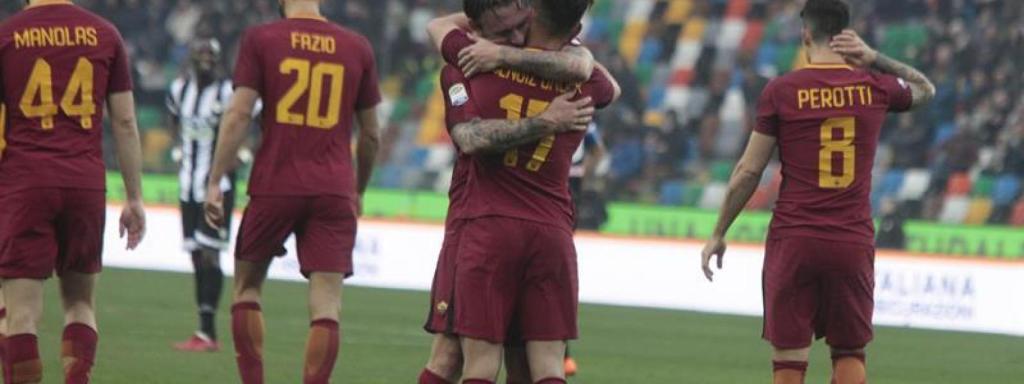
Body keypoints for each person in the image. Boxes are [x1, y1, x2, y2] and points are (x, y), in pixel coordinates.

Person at [698, 1, 935, 384]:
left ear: (805, 33)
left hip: (795, 238)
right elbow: (926, 89)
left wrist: (718, 232)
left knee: (789, 359)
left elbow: (748, 171)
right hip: (851, 239)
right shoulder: (873, 87)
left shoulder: (782, 91)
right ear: (846, 35)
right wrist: (875, 58)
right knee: (849, 352)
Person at [422, 0, 619, 383]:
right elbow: (608, 83)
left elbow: (469, 137)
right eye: (503, 31)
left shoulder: (469, 62)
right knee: (544, 367)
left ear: (532, 12)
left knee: (469, 361)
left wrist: (499, 51)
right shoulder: (581, 80)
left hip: (484, 226)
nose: (512, 36)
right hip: (552, 233)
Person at [203, 0, 381, 383]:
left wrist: (215, 179)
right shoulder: (357, 46)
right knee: (327, 306)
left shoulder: (261, 38)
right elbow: (371, 133)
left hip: (275, 182)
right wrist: (359, 189)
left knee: (247, 288)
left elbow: (238, 113)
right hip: (334, 188)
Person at [0, 0, 147, 383]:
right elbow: (126, 121)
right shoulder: (105, 34)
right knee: (80, 303)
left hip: (26, 182)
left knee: (21, 314)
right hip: (84, 182)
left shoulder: (7, 36)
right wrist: (134, 198)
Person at [167, 37, 243, 353]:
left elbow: (247, 119)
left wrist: (241, 151)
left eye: (210, 54)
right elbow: (174, 119)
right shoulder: (179, 90)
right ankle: (203, 331)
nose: (205, 59)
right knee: (196, 254)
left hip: (218, 186)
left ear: (218, 59)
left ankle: (208, 332)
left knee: (211, 253)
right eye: (200, 54)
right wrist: (178, 148)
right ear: (192, 57)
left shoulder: (228, 92)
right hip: (188, 185)